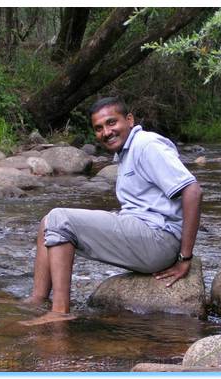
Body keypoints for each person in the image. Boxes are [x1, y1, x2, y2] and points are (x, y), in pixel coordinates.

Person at [20, 97, 202, 326]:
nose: (106, 132)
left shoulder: (147, 145)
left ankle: (60, 312)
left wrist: (185, 258)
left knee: (60, 218)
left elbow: (192, 191)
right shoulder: (128, 151)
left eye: (111, 123)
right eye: (99, 128)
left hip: (158, 240)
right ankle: (38, 299)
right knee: (48, 222)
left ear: (129, 120)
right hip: (144, 234)